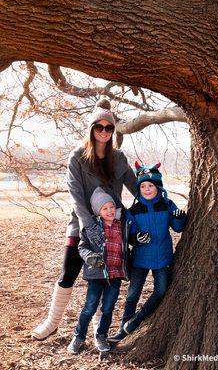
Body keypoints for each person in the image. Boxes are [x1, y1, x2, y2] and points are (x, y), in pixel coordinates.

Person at [32, 99, 137, 341]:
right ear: (91, 129)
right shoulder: (77, 157)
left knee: (107, 275)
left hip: (112, 226)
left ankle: (98, 327)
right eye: (98, 127)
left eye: (108, 128)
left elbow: (136, 187)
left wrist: (155, 194)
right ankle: (52, 322)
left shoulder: (119, 158)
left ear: (113, 131)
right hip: (81, 223)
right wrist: (89, 227)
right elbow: (76, 196)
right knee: (68, 271)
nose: (103, 132)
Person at [108, 161, 187, 342]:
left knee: (161, 291)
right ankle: (123, 328)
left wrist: (179, 218)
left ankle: (136, 321)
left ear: (158, 186)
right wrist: (136, 238)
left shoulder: (167, 204)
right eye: (143, 186)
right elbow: (129, 233)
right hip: (140, 259)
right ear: (139, 188)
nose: (147, 189)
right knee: (133, 294)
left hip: (162, 257)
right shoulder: (134, 210)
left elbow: (177, 228)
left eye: (150, 185)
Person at [67, 187, 131, 354]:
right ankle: (78, 336)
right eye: (105, 208)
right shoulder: (92, 228)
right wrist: (89, 257)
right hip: (97, 274)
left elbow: (128, 242)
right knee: (90, 306)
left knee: (108, 308)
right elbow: (82, 247)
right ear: (98, 211)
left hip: (115, 274)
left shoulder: (122, 225)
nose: (109, 210)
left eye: (111, 207)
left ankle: (101, 335)